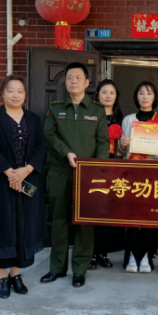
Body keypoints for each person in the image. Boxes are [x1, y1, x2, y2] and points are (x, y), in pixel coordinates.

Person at [0, 74, 47, 299]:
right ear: (2, 93)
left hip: (27, 179)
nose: (16, 95)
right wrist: (11, 174)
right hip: (0, 182)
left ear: (25, 95)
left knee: (22, 226)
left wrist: (26, 170)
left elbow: (41, 148)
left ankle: (16, 275)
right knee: (1, 227)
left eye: (20, 91)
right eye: (11, 91)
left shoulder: (33, 119)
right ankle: (1, 277)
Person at [41, 62, 110, 288]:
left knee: (84, 221)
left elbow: (102, 143)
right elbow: (49, 136)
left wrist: (98, 168)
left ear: (87, 82)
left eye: (78, 77)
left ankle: (80, 269)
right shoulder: (56, 108)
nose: (73, 81)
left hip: (87, 175)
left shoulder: (97, 111)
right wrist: (66, 153)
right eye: (70, 77)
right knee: (59, 220)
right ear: (65, 81)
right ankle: (57, 267)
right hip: (60, 171)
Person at [119, 80, 158, 272]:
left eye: (149, 93)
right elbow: (121, 152)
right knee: (132, 218)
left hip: (153, 176)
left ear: (154, 97)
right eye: (141, 93)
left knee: (150, 218)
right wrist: (122, 145)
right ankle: (132, 255)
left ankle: (147, 255)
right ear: (136, 96)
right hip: (132, 175)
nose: (145, 97)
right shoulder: (128, 120)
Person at [88, 79, 126, 270]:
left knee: (108, 211)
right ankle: (91, 253)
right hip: (93, 168)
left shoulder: (122, 119)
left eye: (112, 92)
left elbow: (125, 149)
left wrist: (122, 147)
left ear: (116, 96)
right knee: (92, 210)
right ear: (97, 95)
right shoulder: (89, 115)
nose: (108, 96)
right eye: (104, 92)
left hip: (114, 169)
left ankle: (104, 252)